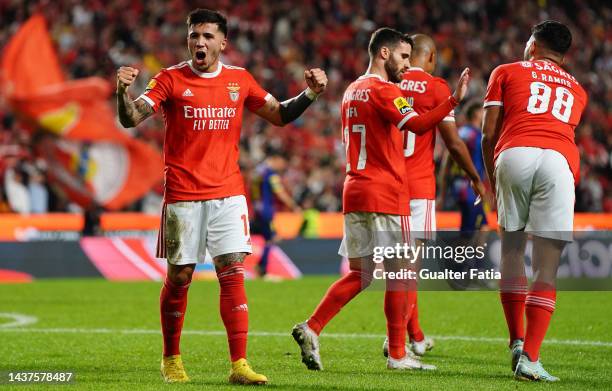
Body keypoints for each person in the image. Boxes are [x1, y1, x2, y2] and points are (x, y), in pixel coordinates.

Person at [116, 8, 328, 385]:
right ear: (188, 40)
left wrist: (310, 92)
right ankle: (171, 358)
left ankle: (239, 364)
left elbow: (278, 115)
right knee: (180, 277)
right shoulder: (169, 79)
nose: (200, 42)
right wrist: (122, 92)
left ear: (222, 43)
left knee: (233, 273)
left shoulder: (239, 80)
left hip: (228, 194)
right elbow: (132, 118)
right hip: (183, 195)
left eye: (207, 36)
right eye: (194, 36)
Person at [292, 27, 471, 371]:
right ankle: (399, 355)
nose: (407, 64)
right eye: (404, 56)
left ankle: (312, 327)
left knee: (360, 275)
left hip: (354, 190)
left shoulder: (351, 90)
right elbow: (418, 125)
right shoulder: (385, 91)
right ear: (384, 54)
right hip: (387, 193)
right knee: (401, 275)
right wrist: (453, 101)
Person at [481, 20, 587, 381]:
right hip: (559, 159)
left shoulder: (507, 71)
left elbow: (487, 132)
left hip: (514, 153)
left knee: (511, 250)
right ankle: (531, 357)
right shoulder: (578, 90)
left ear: (533, 44)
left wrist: (493, 178)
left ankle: (515, 341)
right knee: (547, 264)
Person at [381, 33, 486, 358]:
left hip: (386, 185)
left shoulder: (386, 82)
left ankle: (414, 336)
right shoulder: (436, 87)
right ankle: (396, 339)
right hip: (418, 187)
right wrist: (475, 178)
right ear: (430, 57)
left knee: (395, 269)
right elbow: (453, 144)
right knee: (409, 270)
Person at [250, 150, 301, 277]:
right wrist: (293, 206)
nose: (282, 166)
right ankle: (262, 269)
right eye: (282, 162)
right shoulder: (271, 175)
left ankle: (259, 268)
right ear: (276, 159)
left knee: (261, 236)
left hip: (257, 209)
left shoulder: (258, 172)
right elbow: (280, 192)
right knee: (272, 238)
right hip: (266, 211)